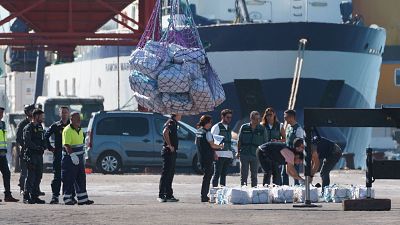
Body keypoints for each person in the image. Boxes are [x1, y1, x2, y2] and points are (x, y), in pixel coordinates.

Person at [62, 111, 94, 205]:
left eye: (79, 118)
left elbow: (81, 144)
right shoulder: (67, 130)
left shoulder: (80, 129)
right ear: (71, 119)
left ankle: (83, 199)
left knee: (81, 178)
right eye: (77, 118)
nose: (79, 120)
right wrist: (72, 155)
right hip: (70, 159)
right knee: (69, 179)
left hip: (79, 158)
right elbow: (67, 145)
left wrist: (82, 156)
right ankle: (67, 199)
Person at [44, 106, 71, 204]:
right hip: (58, 154)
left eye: (66, 113)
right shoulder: (56, 125)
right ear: (59, 114)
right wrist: (50, 148)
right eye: (62, 112)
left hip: (69, 154)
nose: (64, 114)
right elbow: (46, 136)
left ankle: (69, 196)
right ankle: (55, 196)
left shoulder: (72, 126)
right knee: (57, 176)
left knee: (69, 176)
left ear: (68, 114)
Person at [196, 115, 224, 202]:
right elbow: (212, 144)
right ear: (207, 123)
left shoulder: (198, 132)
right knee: (207, 177)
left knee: (206, 176)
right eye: (210, 122)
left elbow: (197, 144)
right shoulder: (207, 133)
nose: (211, 124)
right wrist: (220, 146)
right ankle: (204, 196)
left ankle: (203, 195)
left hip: (201, 156)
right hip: (208, 157)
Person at [237, 111, 267, 187]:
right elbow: (239, 140)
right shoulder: (244, 127)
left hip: (256, 155)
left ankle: (253, 190)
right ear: (251, 118)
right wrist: (238, 152)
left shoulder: (262, 129)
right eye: (255, 119)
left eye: (258, 119)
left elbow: (265, 143)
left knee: (254, 175)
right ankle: (243, 191)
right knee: (244, 175)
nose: (257, 121)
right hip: (244, 154)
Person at [23, 109, 46, 204]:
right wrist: (37, 148)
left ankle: (35, 195)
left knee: (38, 175)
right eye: (41, 116)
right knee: (31, 176)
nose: (43, 118)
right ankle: (26, 196)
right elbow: (27, 142)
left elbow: (43, 139)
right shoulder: (28, 127)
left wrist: (44, 147)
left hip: (39, 155)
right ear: (36, 116)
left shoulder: (40, 127)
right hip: (31, 155)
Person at [158, 114, 182, 203]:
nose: (181, 115)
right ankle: (161, 195)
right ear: (176, 114)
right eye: (180, 113)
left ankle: (169, 195)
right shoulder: (171, 122)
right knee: (166, 174)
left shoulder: (174, 122)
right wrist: (169, 145)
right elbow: (165, 132)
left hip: (172, 152)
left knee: (170, 174)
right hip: (168, 151)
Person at [260, 107, 285, 186]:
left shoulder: (279, 125)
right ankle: (265, 188)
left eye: (270, 114)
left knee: (276, 171)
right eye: (267, 115)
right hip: (265, 151)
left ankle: (277, 189)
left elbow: (284, 139)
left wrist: (277, 141)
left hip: (275, 151)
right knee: (267, 171)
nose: (268, 117)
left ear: (274, 114)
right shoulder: (262, 125)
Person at [0, 107, 19, 202]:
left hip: (2, 154)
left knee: (7, 173)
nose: (1, 115)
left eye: (2, 113)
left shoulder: (2, 124)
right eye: (0, 113)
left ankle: (7, 195)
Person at [210, 109, 233, 187]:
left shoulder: (229, 127)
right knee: (217, 174)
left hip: (228, 155)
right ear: (222, 116)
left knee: (224, 175)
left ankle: (222, 193)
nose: (229, 119)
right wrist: (214, 153)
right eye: (227, 117)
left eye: (230, 117)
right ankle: (214, 191)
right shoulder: (216, 127)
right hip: (219, 154)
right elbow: (211, 141)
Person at [16, 104, 36, 194]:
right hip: (25, 150)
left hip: (34, 152)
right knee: (24, 171)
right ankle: (22, 188)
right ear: (27, 112)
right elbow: (18, 138)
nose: (33, 112)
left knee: (34, 171)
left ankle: (34, 189)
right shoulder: (22, 124)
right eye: (31, 110)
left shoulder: (36, 123)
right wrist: (25, 146)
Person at [283, 109, 305, 185]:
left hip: (294, 155)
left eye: (286, 117)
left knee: (295, 172)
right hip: (286, 154)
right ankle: (284, 189)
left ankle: (297, 187)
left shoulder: (298, 129)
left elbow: (300, 144)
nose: (284, 119)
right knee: (284, 173)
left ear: (291, 117)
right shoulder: (288, 127)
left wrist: (298, 156)